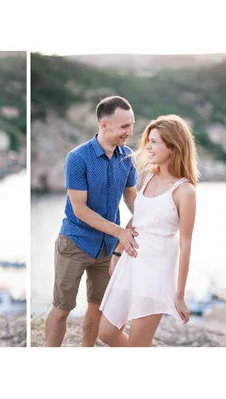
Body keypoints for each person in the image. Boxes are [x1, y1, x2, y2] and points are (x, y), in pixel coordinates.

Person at [44, 95, 139, 347]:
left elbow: (132, 198)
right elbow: (80, 210)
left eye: (131, 125)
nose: (129, 132)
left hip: (107, 249)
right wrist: (120, 231)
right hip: (75, 243)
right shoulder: (77, 158)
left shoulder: (127, 156)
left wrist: (152, 219)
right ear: (104, 124)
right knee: (62, 309)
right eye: (124, 126)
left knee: (97, 310)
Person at [98, 114, 198, 347]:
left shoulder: (185, 192)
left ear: (173, 147)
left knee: (138, 344)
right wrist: (117, 253)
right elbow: (137, 219)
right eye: (148, 140)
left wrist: (180, 296)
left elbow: (185, 245)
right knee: (107, 332)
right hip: (131, 262)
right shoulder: (145, 177)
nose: (147, 146)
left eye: (154, 141)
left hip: (157, 267)